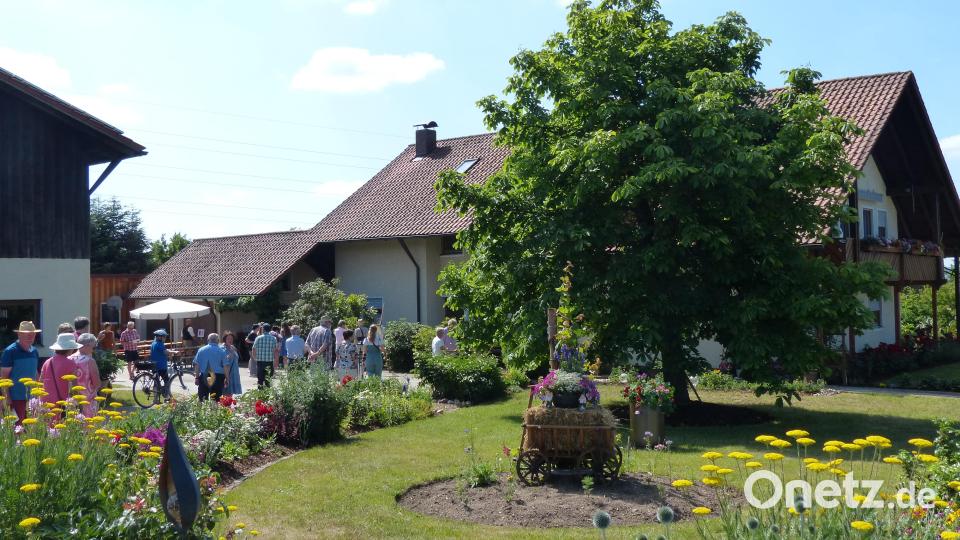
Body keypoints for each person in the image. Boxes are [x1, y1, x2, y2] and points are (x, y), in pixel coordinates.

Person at [1, 321, 42, 422]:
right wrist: (7, 398)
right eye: (27, 334)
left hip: (32, 399)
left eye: (32, 334)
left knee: (32, 429)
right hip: (15, 399)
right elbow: (3, 377)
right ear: (19, 334)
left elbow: (35, 373)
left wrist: (39, 393)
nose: (30, 337)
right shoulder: (10, 351)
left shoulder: (34, 351)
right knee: (18, 430)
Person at [40, 333, 79, 408]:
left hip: (45, 401)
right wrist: (76, 401)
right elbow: (75, 386)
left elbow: (41, 381)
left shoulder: (47, 362)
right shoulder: (70, 363)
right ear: (70, 348)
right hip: (60, 401)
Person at [70, 333, 101, 416]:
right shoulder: (89, 361)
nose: (93, 350)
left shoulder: (69, 359)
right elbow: (96, 383)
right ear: (86, 346)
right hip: (88, 399)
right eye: (93, 347)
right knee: (89, 425)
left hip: (73, 398)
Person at [194, 333, 226, 401]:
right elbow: (226, 366)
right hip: (218, 376)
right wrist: (227, 378)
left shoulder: (201, 350)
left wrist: (196, 377)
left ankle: (203, 411)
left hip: (204, 375)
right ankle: (214, 411)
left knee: (203, 399)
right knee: (216, 399)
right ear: (218, 340)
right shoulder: (222, 351)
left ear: (208, 340)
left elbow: (197, 364)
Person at [252, 323, 279, 388]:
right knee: (268, 380)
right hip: (269, 362)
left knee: (260, 380)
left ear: (263, 329)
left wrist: (255, 358)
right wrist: (276, 361)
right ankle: (267, 395)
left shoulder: (258, 338)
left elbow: (254, 348)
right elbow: (276, 351)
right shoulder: (274, 338)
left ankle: (260, 396)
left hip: (260, 361)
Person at [151, 329, 171, 399]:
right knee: (167, 381)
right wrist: (173, 352)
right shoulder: (160, 344)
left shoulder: (153, 343)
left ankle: (155, 399)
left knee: (156, 383)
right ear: (160, 337)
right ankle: (167, 397)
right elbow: (165, 352)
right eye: (164, 337)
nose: (165, 338)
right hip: (161, 366)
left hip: (154, 366)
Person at [221, 331, 242, 397]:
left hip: (234, 372)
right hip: (227, 373)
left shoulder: (233, 347)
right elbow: (222, 362)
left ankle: (228, 405)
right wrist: (228, 357)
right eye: (228, 338)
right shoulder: (222, 348)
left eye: (231, 338)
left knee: (231, 392)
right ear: (225, 339)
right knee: (226, 392)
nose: (230, 340)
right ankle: (225, 406)